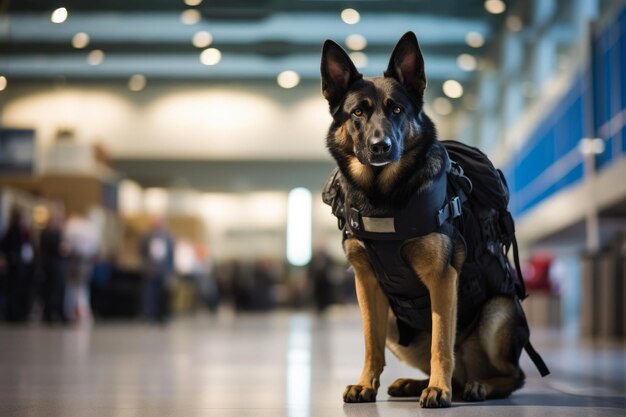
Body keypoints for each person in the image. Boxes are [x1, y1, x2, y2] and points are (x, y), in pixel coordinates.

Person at [0, 207, 36, 322]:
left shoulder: (25, 231)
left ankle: (20, 313)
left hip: (23, 265)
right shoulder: (13, 229)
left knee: (21, 291)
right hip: (15, 264)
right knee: (14, 291)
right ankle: (12, 314)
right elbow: (6, 245)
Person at [64, 212, 100, 323]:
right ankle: (75, 311)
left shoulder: (72, 226)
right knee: (77, 287)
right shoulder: (85, 228)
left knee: (78, 287)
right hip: (78, 260)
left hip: (81, 260)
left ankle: (77, 311)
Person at [139, 217, 174, 323]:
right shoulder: (146, 236)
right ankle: (150, 314)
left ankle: (162, 315)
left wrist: (170, 270)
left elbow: (171, 256)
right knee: (150, 294)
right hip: (150, 270)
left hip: (163, 271)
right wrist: (145, 265)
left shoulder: (167, 237)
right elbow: (142, 252)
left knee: (163, 294)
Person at [39, 213, 67, 324]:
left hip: (51, 265)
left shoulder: (48, 233)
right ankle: (50, 313)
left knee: (52, 290)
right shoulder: (51, 234)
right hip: (53, 265)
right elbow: (61, 249)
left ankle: (50, 313)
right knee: (52, 290)